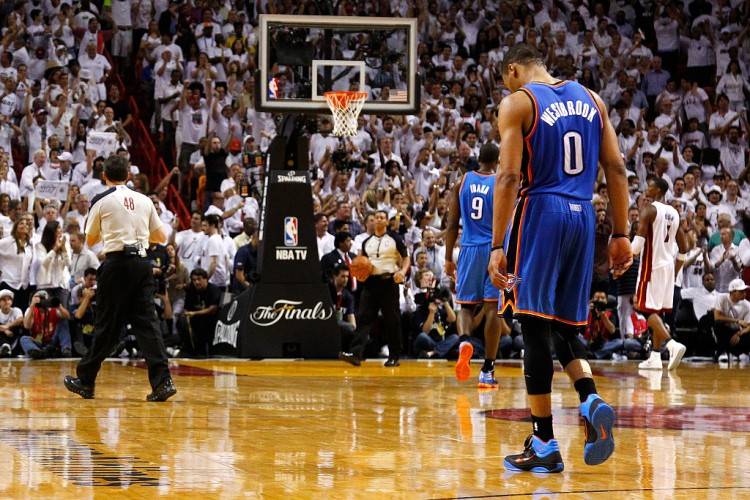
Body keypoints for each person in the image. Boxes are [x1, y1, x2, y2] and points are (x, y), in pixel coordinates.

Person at [487, 44, 633, 473]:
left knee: (533, 326)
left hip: (541, 212)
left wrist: (497, 245)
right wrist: (620, 234)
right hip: (583, 215)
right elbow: (617, 168)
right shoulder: (593, 100)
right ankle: (589, 397)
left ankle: (545, 443)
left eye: (505, 79)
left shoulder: (518, 103)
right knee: (564, 328)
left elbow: (509, 176)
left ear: (513, 70)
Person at [64, 155, 176, 402]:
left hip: (116, 264)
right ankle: (163, 382)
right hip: (142, 265)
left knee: (107, 325)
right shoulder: (145, 200)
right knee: (148, 325)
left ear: (104, 176)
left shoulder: (101, 200)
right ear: (128, 175)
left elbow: (90, 240)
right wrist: (139, 236)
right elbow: (161, 236)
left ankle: (86, 381)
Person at [445, 142, 503, 388]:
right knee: (492, 310)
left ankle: (464, 341)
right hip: (493, 249)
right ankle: (488, 370)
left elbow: (451, 225)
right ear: (497, 161)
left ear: (478, 159)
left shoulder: (462, 181)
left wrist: (448, 258)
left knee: (466, 307)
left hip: (468, 249)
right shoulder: (500, 183)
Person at [338, 209, 410, 367]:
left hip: (388, 282)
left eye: (382, 217)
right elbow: (362, 263)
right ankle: (355, 354)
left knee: (392, 320)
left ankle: (394, 356)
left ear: (387, 222)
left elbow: (406, 258)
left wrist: (403, 271)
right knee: (363, 318)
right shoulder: (367, 242)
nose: (378, 220)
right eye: (375, 217)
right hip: (370, 283)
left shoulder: (395, 238)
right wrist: (359, 273)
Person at [634, 178, 689, 371]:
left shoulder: (649, 210)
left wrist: (621, 255)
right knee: (658, 314)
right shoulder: (674, 212)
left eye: (650, 185)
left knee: (644, 310)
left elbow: (637, 246)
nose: (646, 188)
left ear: (657, 189)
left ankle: (671, 344)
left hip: (651, 267)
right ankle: (655, 357)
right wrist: (675, 272)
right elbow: (684, 248)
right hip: (668, 268)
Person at [712, 278, 750, 364]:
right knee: (718, 324)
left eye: (745, 291)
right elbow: (717, 317)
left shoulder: (747, 305)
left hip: (738, 332)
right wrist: (737, 321)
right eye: (741, 291)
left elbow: (749, 326)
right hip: (726, 331)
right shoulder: (722, 298)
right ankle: (723, 352)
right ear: (733, 292)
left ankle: (742, 352)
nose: (744, 293)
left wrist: (739, 333)